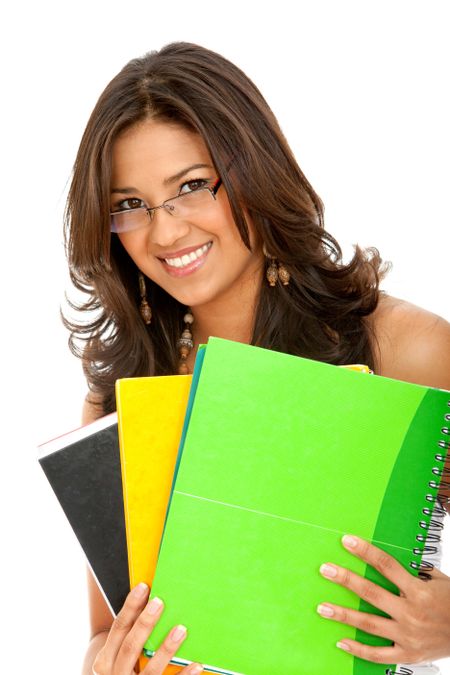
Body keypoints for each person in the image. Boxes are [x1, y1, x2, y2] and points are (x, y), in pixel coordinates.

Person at [63, 42, 450, 675]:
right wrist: (112, 666)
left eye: (191, 187)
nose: (164, 233)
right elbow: (105, 635)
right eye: (128, 204)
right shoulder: (120, 393)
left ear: (254, 171)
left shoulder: (405, 348)